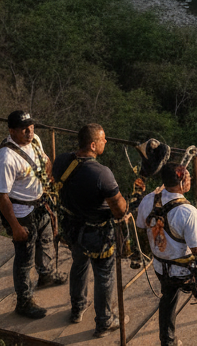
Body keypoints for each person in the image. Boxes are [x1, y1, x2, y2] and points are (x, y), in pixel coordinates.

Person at [135, 161, 197, 346]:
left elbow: (141, 225)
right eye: (188, 178)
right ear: (181, 184)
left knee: (168, 297)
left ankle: (168, 341)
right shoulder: (187, 211)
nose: (190, 180)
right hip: (185, 272)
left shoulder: (149, 199)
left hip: (160, 267)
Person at [52, 123, 128, 336]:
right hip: (97, 233)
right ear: (93, 145)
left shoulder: (62, 161)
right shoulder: (101, 173)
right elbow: (120, 210)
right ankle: (104, 321)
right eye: (103, 139)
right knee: (104, 275)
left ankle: (77, 308)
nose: (106, 141)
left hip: (72, 227)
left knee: (79, 265)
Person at [0, 109, 66, 320]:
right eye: (24, 128)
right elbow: (1, 196)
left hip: (40, 203)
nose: (29, 131)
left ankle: (46, 275)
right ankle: (24, 301)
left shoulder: (35, 141)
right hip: (21, 211)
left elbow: (45, 160)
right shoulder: (5, 159)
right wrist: (15, 226)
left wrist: (49, 179)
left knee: (45, 240)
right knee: (24, 256)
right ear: (11, 131)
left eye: (31, 126)